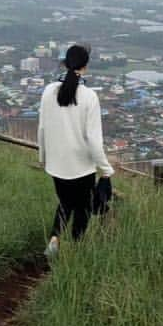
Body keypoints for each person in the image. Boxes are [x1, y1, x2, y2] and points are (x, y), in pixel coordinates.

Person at [37, 43, 115, 259]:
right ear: (85, 66)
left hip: (56, 165)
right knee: (83, 209)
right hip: (81, 167)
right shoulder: (89, 96)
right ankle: (76, 250)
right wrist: (106, 169)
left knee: (65, 203)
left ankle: (54, 239)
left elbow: (42, 128)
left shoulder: (49, 91)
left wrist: (43, 157)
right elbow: (93, 139)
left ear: (65, 63)